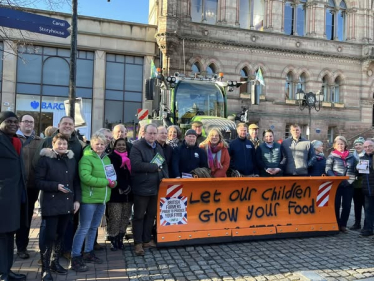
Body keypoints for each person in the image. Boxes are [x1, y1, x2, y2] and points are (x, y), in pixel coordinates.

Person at [33, 116, 84, 261]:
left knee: (66, 226)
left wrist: (77, 199)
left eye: (70, 124)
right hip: (51, 197)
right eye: (65, 123)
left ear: (74, 127)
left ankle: (62, 252)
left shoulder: (77, 145)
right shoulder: (46, 142)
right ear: (58, 125)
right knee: (48, 228)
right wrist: (54, 184)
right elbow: (37, 166)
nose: (67, 126)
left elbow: (76, 175)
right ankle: (44, 256)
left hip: (68, 197)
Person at [69, 133, 116, 271]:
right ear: (92, 144)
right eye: (97, 144)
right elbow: (85, 177)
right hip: (89, 199)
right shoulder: (86, 158)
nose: (100, 146)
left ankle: (89, 252)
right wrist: (106, 182)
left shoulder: (106, 159)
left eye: (102, 144)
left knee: (94, 227)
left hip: (102, 199)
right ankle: (75, 255)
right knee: (83, 227)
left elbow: (112, 175)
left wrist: (114, 183)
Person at [130, 124, 168, 256]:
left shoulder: (157, 147)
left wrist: (165, 179)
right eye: (150, 133)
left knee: (151, 215)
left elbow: (163, 164)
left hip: (156, 186)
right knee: (139, 216)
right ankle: (138, 243)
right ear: (144, 133)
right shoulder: (137, 146)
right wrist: (153, 167)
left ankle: (146, 240)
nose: (152, 136)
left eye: (154, 133)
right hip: (142, 187)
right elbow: (135, 165)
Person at [0, 111, 27, 281]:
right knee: (3, 236)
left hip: (15, 196)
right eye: (9, 121)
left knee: (9, 235)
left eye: (15, 121)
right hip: (2, 197)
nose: (13, 124)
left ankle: (7, 270)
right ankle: (3, 274)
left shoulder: (16, 141)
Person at [15, 114, 43, 260]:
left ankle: (21, 247)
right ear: (20, 123)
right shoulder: (12, 138)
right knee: (10, 216)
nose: (28, 124)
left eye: (31, 122)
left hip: (31, 186)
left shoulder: (40, 141)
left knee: (25, 218)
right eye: (25, 121)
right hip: (14, 186)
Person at [325, 136, 356, 233]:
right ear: (334, 146)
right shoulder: (332, 156)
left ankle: (343, 225)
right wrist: (334, 178)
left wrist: (353, 177)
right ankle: (336, 224)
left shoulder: (351, 157)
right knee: (336, 205)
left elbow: (355, 169)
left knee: (347, 206)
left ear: (345, 145)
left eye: (342, 144)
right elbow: (328, 169)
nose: (340, 146)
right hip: (336, 184)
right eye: (338, 144)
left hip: (349, 184)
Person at [107, 138, 133, 251]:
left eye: (123, 145)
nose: (121, 146)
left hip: (129, 194)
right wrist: (122, 186)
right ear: (114, 146)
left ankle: (121, 238)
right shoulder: (111, 157)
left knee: (125, 217)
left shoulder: (130, 158)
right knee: (115, 217)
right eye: (119, 145)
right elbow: (112, 174)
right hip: (116, 192)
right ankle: (113, 239)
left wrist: (130, 187)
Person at [358, 139, 374, 236]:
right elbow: (360, 174)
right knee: (368, 211)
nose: (367, 148)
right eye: (366, 147)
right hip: (367, 189)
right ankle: (368, 229)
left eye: (370, 146)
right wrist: (357, 169)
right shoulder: (363, 158)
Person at [350, 137, 366, 230]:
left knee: (366, 205)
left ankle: (367, 224)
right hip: (355, 185)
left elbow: (362, 171)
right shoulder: (353, 157)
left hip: (364, 184)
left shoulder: (366, 156)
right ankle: (357, 223)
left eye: (360, 144)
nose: (358, 146)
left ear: (364, 145)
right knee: (357, 205)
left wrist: (356, 171)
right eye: (356, 144)